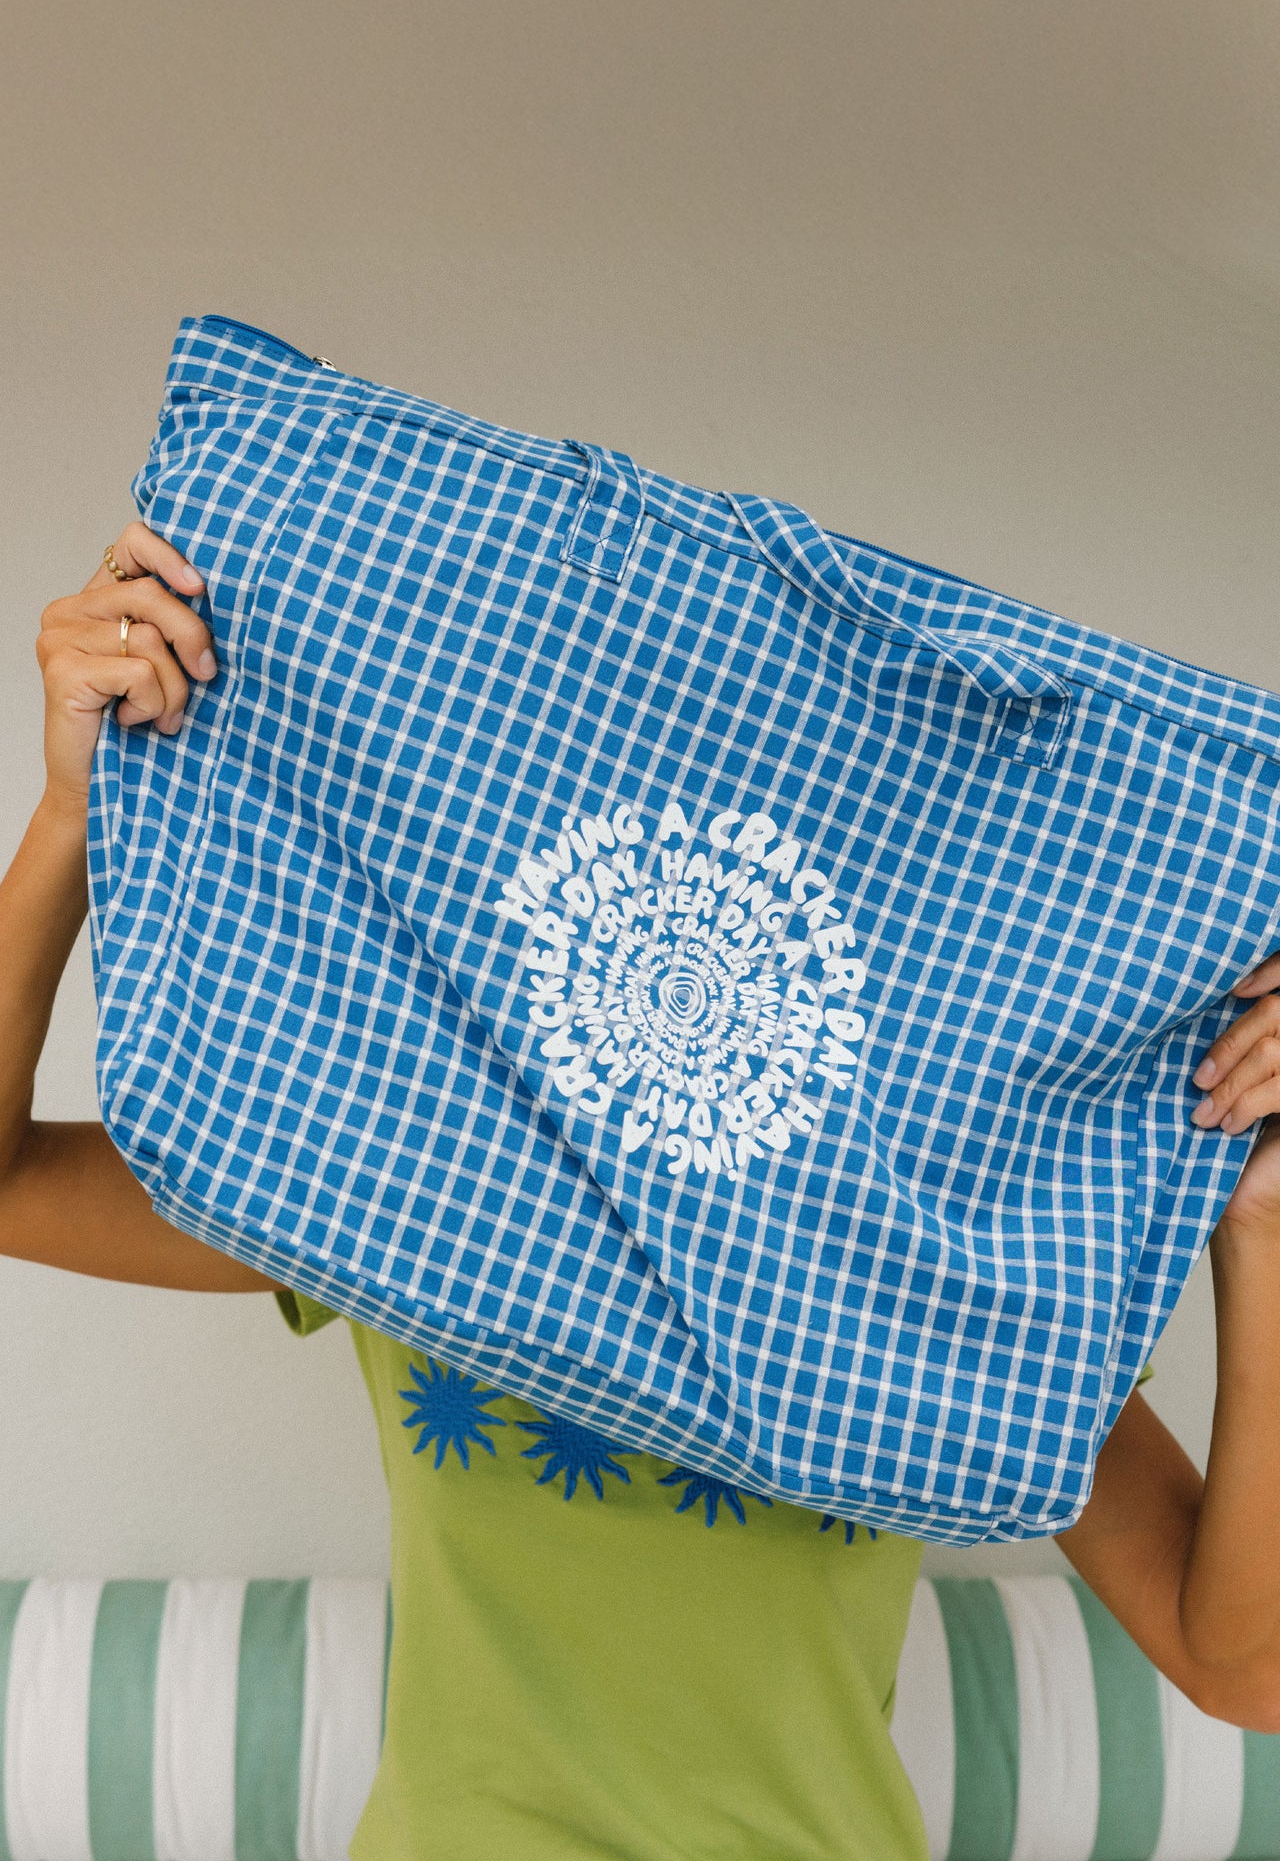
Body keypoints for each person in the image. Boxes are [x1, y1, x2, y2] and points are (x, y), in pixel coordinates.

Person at [7, 519, 1280, 1860]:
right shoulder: (409, 1154)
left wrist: (1258, 1224)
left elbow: (1241, 1667)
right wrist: (70, 815)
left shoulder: (959, 1260)